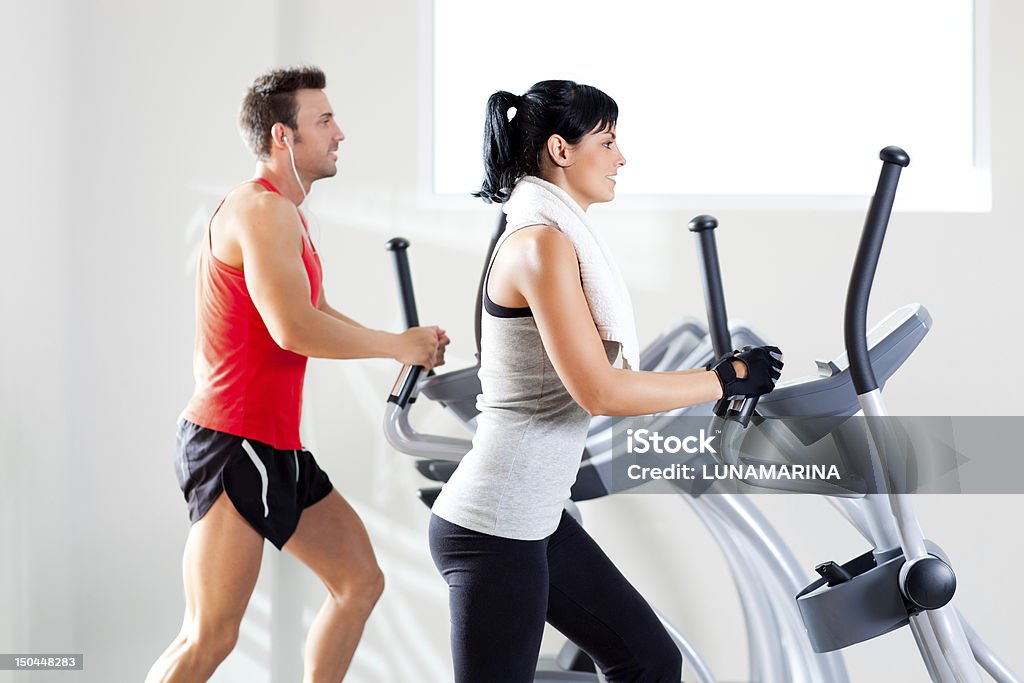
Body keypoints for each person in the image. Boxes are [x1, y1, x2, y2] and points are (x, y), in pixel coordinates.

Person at [428, 80, 783, 682]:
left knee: (647, 661)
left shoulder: (552, 236)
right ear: (561, 151)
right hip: (493, 528)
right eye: (609, 142)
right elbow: (600, 391)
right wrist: (725, 379)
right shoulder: (539, 244)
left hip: (535, 519)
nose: (622, 159)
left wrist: (725, 379)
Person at [146, 66, 449, 683]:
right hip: (233, 443)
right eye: (325, 121)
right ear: (284, 136)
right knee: (209, 638)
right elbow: (294, 330)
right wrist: (394, 343)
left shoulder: (284, 213)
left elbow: (310, 311)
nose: (340, 132)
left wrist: (399, 349)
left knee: (359, 581)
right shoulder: (261, 212)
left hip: (272, 443)